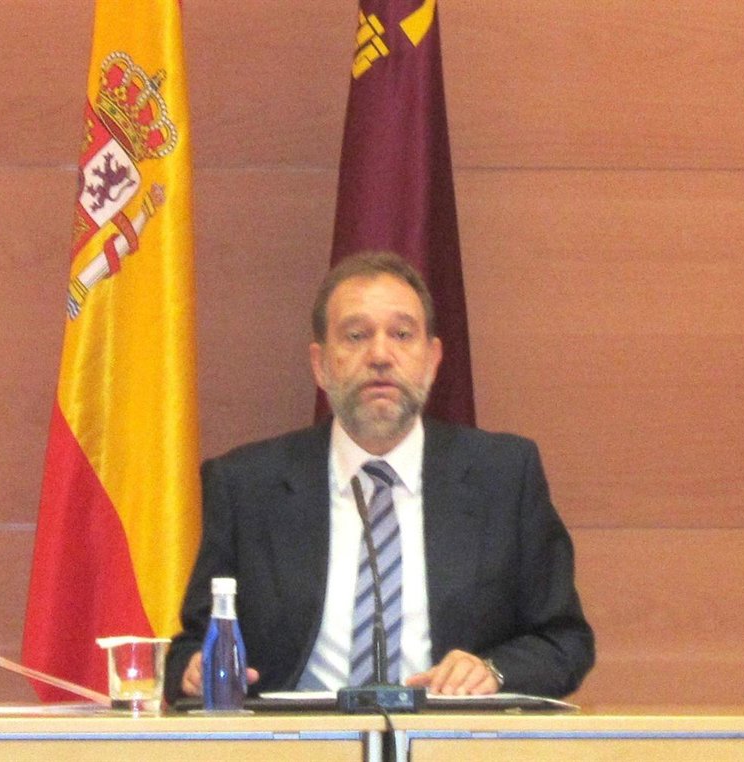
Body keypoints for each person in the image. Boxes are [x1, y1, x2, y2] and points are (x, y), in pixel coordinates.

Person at [165, 251, 593, 702]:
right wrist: (194, 671)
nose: (380, 356)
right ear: (320, 365)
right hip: (299, 736)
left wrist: (492, 671)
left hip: (449, 733)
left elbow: (565, 642)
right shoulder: (247, 484)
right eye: (356, 336)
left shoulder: (503, 475)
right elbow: (191, 646)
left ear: (432, 360)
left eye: (402, 335)